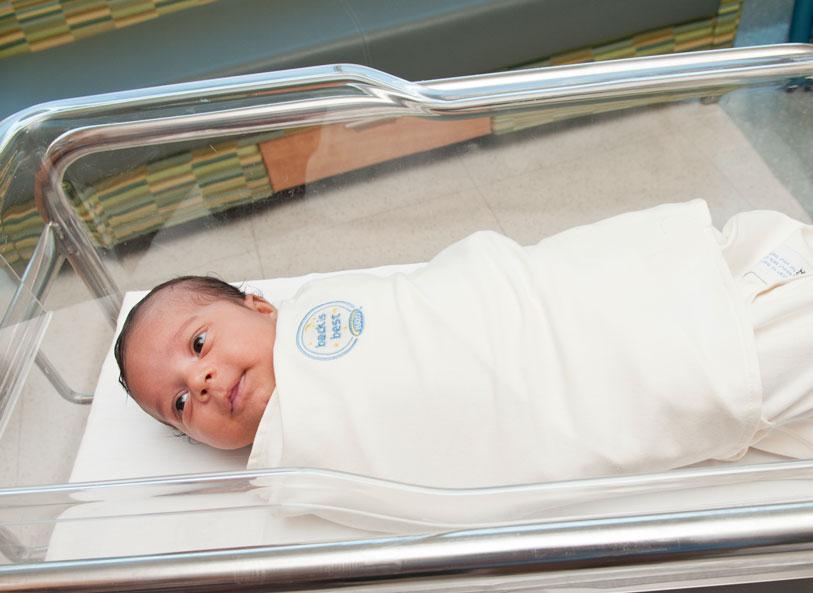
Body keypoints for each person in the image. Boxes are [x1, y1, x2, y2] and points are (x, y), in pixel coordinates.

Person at [115, 200, 813, 489]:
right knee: (740, 358)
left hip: (569, 311)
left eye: (198, 342)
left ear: (262, 305)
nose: (200, 382)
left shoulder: (325, 305)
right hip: (594, 387)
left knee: (691, 298)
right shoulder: (296, 460)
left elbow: (461, 295)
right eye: (178, 403)